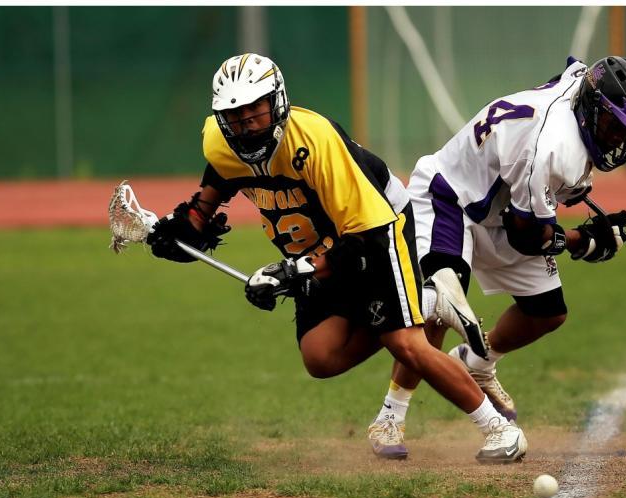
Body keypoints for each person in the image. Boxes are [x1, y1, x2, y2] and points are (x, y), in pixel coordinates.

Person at [145, 53, 526, 463]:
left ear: (277, 101)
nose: (247, 123)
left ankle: (500, 430)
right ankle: (426, 302)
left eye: (255, 109)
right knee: (320, 356)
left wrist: (292, 271)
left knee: (404, 342)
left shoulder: (314, 142)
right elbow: (211, 193)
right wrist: (182, 226)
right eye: (234, 115)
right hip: (316, 247)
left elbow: (364, 236)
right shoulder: (220, 145)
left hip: (378, 227)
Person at [365, 55, 626, 458]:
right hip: (451, 198)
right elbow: (529, 237)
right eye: (612, 127)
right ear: (592, 110)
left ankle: (477, 362)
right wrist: (585, 242)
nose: (617, 141)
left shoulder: (579, 88)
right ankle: (390, 417)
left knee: (547, 311)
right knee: (437, 311)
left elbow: (570, 70)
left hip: (499, 207)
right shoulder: (553, 148)